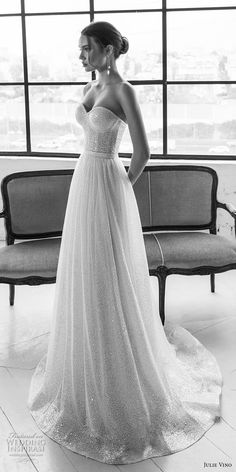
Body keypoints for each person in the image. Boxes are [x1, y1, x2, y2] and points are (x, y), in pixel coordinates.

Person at [27, 21, 222, 465]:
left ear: (110, 50)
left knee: (110, 272)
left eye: (88, 50)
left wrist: (121, 188)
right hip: (84, 183)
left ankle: (122, 375)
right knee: (85, 271)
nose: (82, 57)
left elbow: (144, 150)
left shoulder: (124, 91)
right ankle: (84, 363)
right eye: (80, 50)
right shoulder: (90, 84)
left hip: (107, 185)